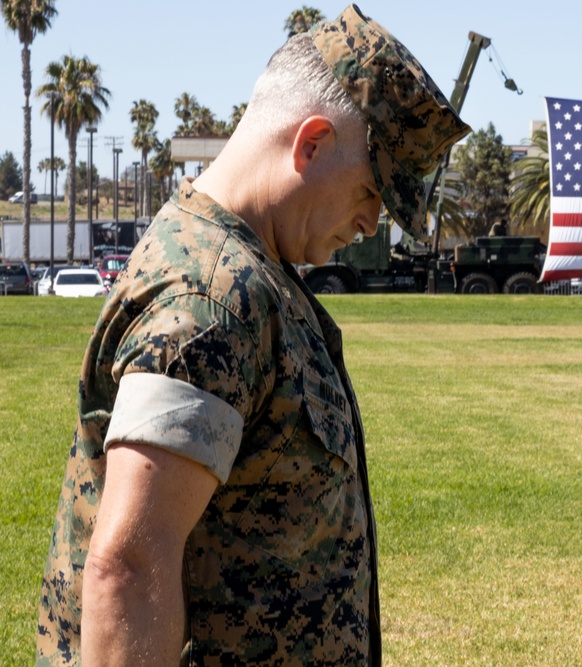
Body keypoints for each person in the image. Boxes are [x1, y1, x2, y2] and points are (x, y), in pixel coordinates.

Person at [36, 5, 470, 666]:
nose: (370, 223)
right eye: (370, 192)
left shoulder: (254, 274)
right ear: (312, 144)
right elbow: (128, 567)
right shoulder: (209, 298)